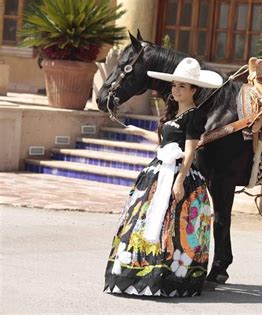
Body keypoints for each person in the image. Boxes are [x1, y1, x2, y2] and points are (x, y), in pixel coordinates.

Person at [104, 57, 223, 297]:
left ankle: (171, 279)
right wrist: (137, 131)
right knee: (143, 220)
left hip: (178, 174)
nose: (176, 90)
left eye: (182, 86)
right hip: (158, 171)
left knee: (174, 225)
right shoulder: (173, 114)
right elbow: (164, 142)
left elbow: (190, 151)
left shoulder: (195, 115)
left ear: (194, 90)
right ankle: (137, 273)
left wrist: (180, 180)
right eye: (174, 85)